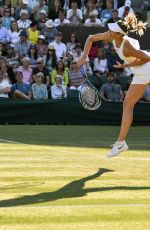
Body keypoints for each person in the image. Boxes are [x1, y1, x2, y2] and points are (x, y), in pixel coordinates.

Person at [78, 13, 150, 157]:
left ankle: (120, 143)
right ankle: (121, 143)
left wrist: (125, 64)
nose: (108, 31)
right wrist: (84, 56)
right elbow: (91, 38)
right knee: (127, 104)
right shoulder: (112, 36)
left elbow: (147, 58)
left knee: (128, 105)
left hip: (147, 68)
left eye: (112, 30)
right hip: (140, 72)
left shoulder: (127, 47)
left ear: (118, 34)